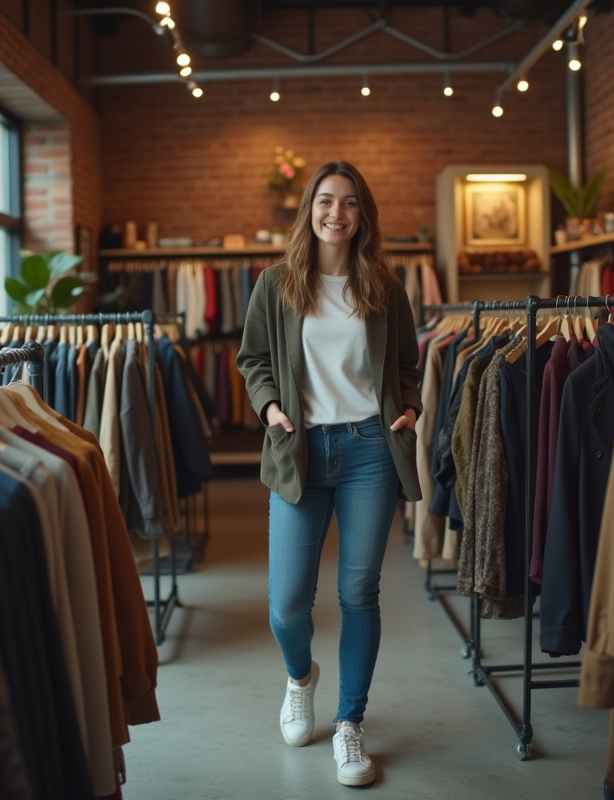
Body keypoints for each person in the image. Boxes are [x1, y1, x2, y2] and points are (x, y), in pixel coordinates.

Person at [237, 160, 423, 787]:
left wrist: (410, 409)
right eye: (325, 200)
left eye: (348, 202)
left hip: (371, 450)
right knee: (287, 603)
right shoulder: (277, 284)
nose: (335, 213)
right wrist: (269, 406)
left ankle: (350, 724)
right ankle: (300, 678)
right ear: (309, 210)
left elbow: (407, 367)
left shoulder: (385, 288)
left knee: (358, 593)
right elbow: (253, 359)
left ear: (362, 214)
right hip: (300, 450)